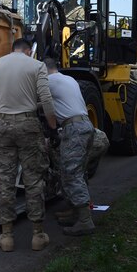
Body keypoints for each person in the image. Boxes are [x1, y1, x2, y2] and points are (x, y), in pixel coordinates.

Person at [0, 38, 60, 252]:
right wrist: (52, 127)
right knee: (34, 180)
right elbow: (47, 100)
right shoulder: (37, 65)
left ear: (12, 49)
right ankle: (38, 235)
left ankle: (6, 237)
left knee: (4, 181)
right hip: (28, 126)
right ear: (29, 50)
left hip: (2, 126)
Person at [44, 58, 96, 236]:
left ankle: (85, 221)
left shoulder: (48, 81)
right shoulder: (68, 79)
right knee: (77, 172)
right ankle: (76, 213)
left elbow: (34, 100)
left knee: (72, 174)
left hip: (73, 129)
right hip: (85, 126)